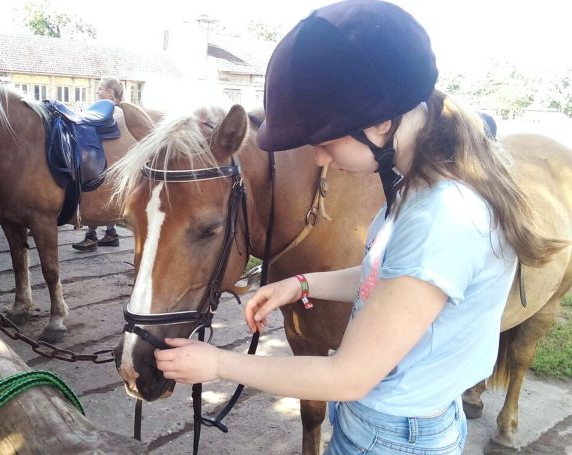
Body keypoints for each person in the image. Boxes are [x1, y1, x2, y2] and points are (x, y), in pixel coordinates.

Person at [152, 1, 566, 453]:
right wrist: (302, 283)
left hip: (393, 438)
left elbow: (348, 376)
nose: (319, 158)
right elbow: (385, 277)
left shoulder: (443, 218)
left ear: (381, 123)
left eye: (325, 142)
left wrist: (218, 364)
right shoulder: (415, 190)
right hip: (385, 424)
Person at [71, 76, 124, 251]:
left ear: (111, 92)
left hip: (106, 161)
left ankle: (91, 235)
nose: (97, 92)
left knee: (98, 188)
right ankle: (111, 233)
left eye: (100, 88)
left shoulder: (113, 114)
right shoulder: (114, 112)